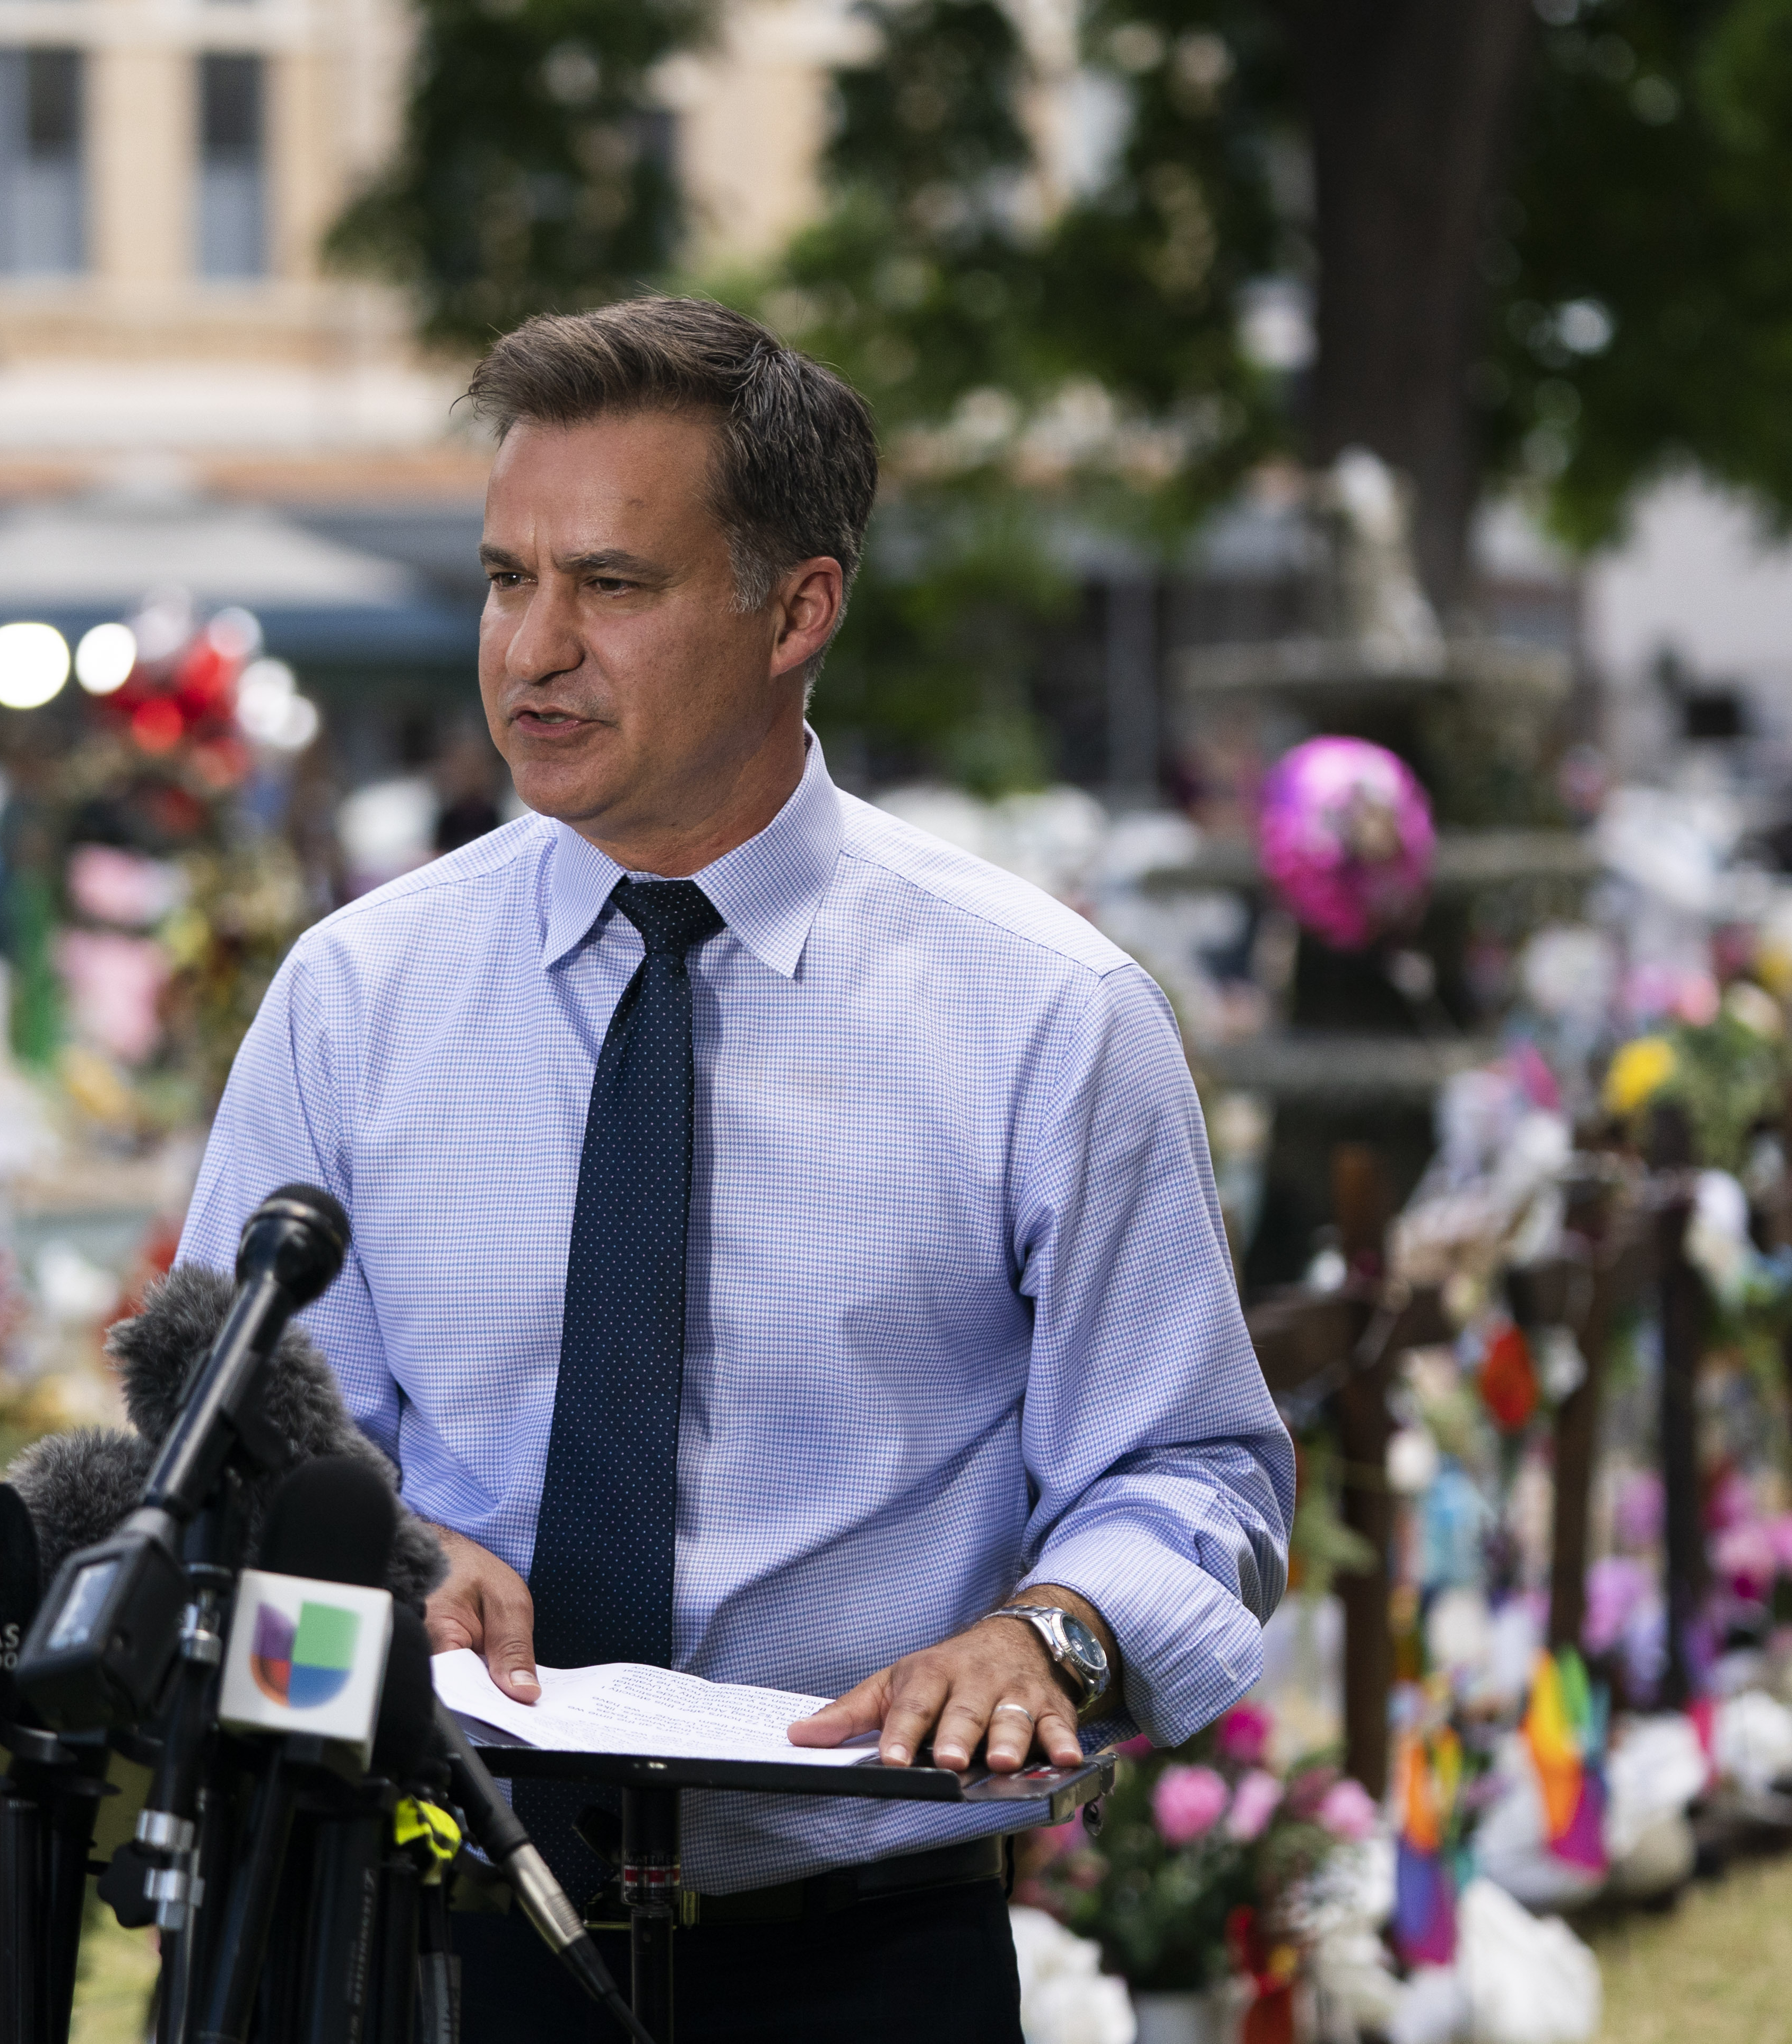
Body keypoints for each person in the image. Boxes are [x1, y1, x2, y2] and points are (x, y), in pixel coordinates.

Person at [175, 297, 1291, 2041]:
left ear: (798, 610)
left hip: (861, 1964)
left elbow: (1191, 1469)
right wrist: (384, 1547)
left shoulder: (1046, 1015)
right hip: (427, 1938)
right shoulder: (352, 998)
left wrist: (1051, 1635)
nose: (534, 649)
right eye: (505, 579)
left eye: (610, 585)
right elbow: (240, 1439)